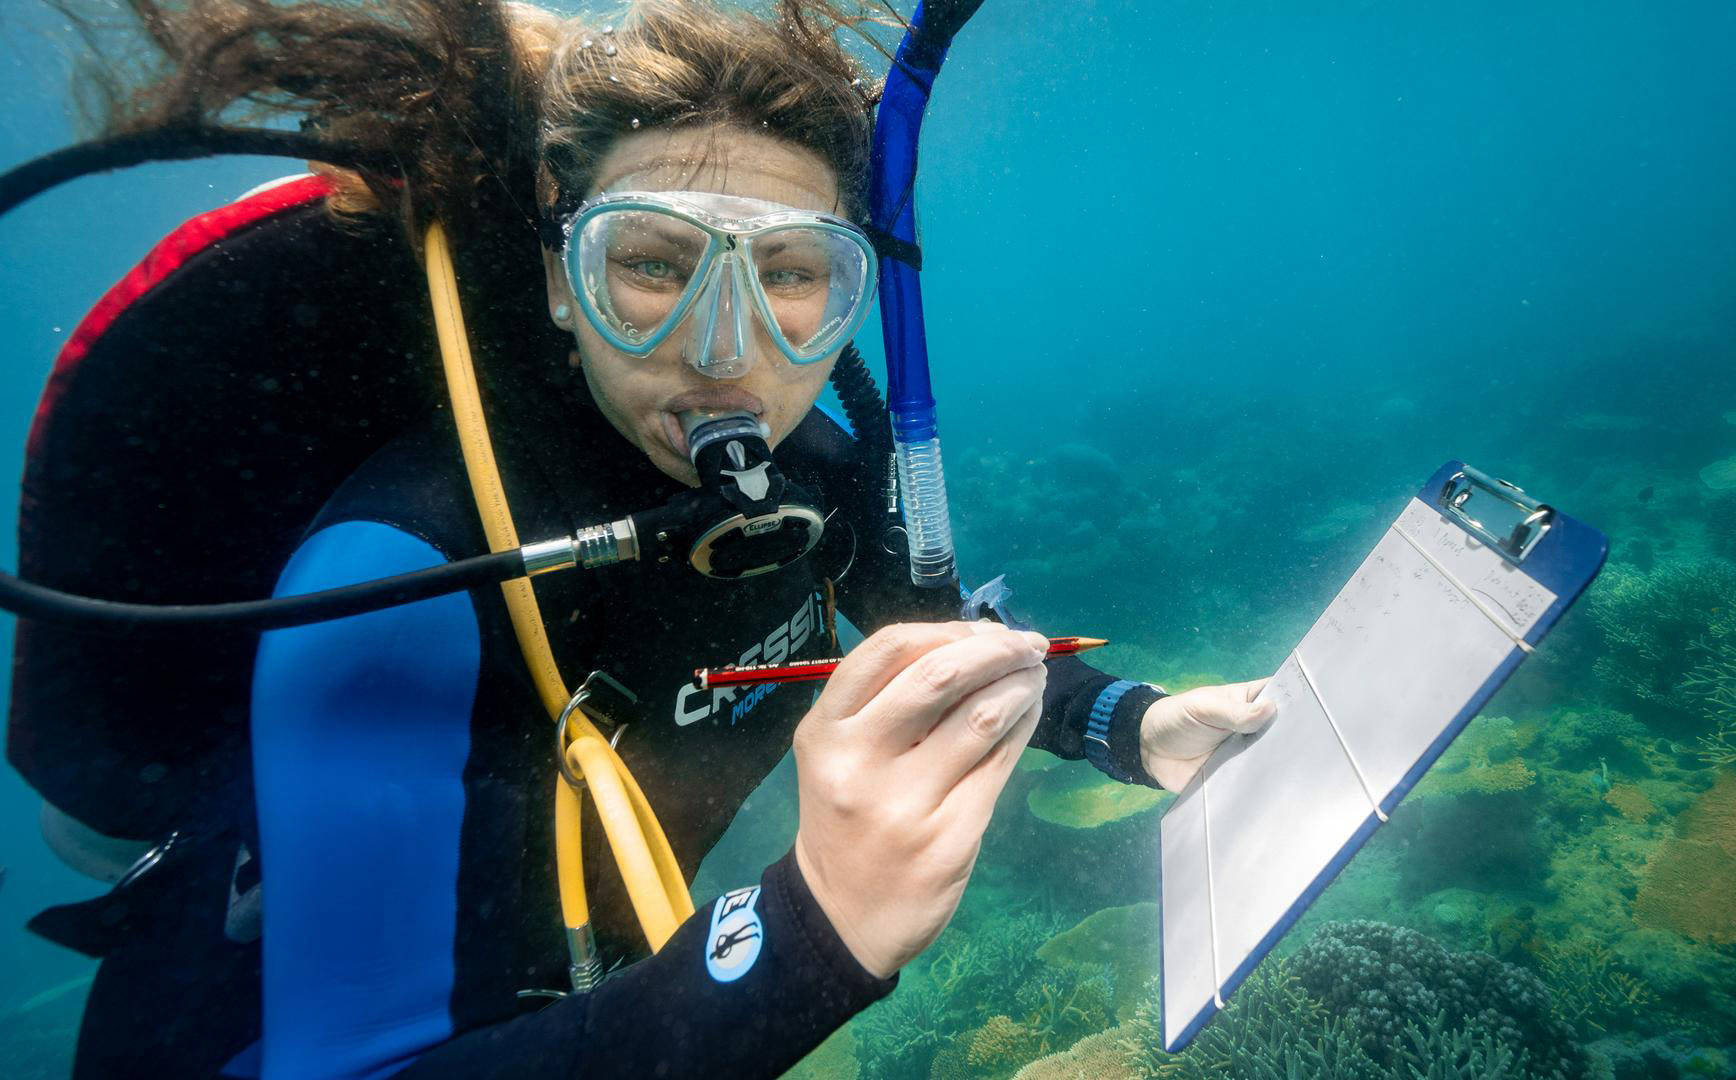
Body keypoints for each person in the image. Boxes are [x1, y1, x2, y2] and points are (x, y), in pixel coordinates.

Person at [9, 1, 1277, 1076]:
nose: (726, 352)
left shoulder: (810, 477)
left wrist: (1130, 725)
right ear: (564, 280)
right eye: (655, 266)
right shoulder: (395, 578)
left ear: (851, 300)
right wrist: (816, 928)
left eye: (791, 275)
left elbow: (933, 635)